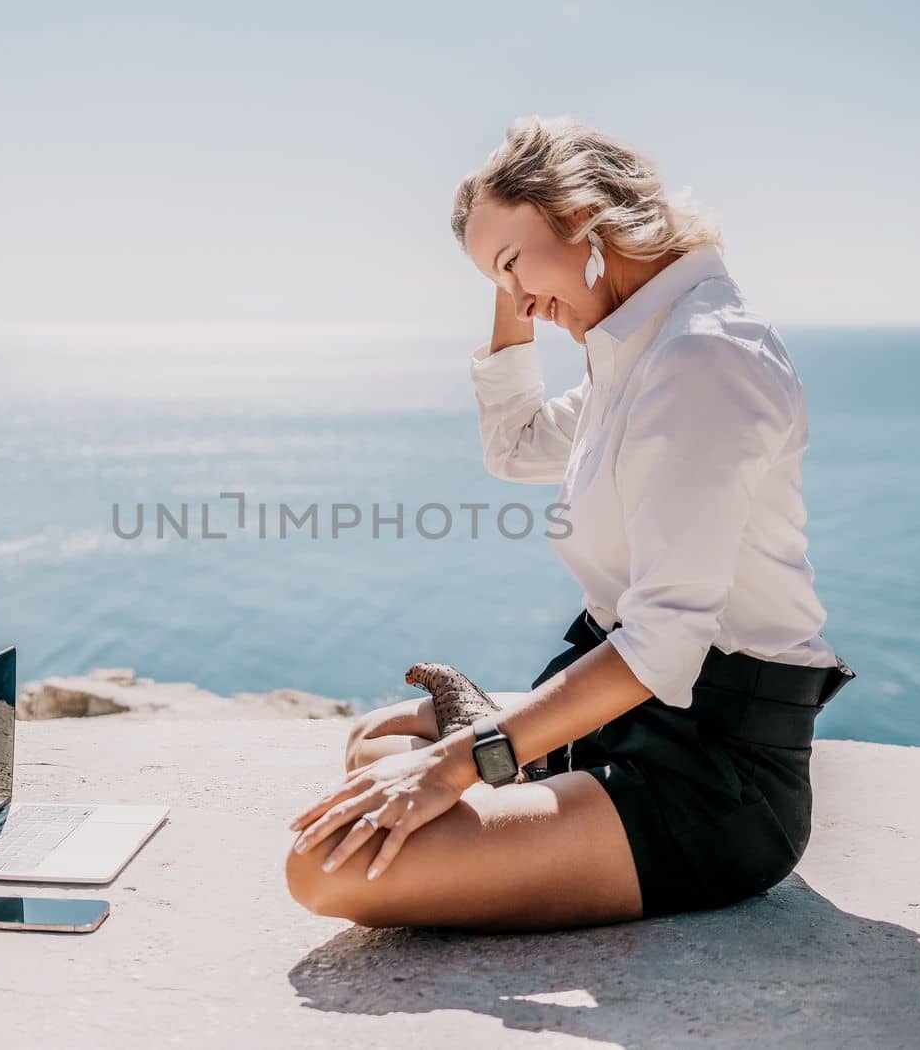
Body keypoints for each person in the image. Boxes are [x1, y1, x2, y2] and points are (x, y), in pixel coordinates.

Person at [284, 115, 855, 930]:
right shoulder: (638, 346)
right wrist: (509, 267)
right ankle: (516, 755)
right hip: (635, 723)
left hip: (710, 776)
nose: (515, 298)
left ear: (581, 210)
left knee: (325, 868)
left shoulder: (703, 358)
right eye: (494, 279)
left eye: (513, 263)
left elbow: (662, 644)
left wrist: (462, 761)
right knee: (378, 745)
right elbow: (515, 445)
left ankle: (507, 753)